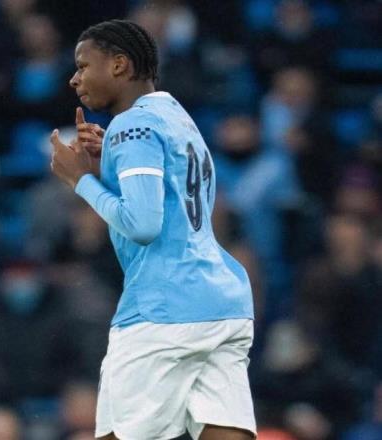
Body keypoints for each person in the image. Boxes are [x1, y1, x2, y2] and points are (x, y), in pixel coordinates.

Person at [50, 19, 255, 440]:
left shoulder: (132, 126)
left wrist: (80, 180)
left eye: (83, 66)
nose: (74, 78)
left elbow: (143, 225)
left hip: (163, 308)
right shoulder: (177, 118)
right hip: (223, 305)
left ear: (119, 64)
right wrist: (109, 162)